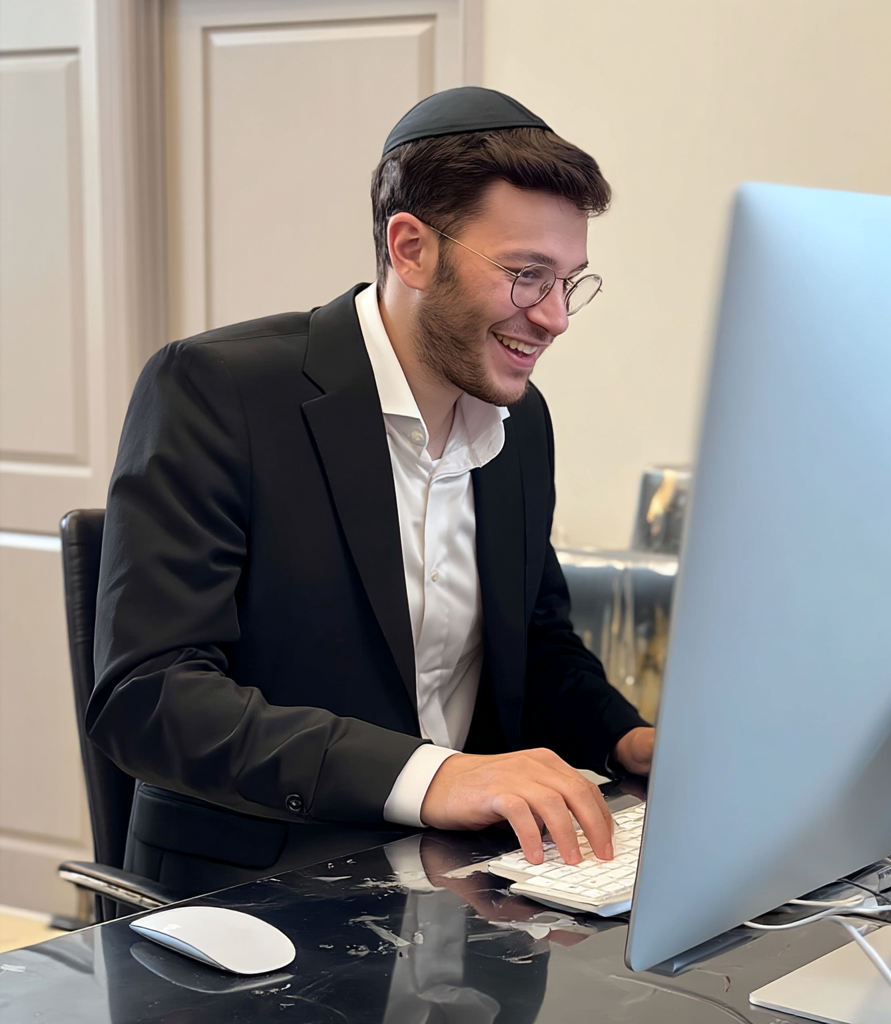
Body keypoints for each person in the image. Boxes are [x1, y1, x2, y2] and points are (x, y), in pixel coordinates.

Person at [88, 87, 654, 895]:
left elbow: (537, 648)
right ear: (412, 249)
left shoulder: (520, 423)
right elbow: (149, 698)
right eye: (529, 276)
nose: (556, 317)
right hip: (257, 895)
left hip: (464, 883)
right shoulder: (218, 389)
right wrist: (435, 777)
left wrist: (630, 739)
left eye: (570, 281)